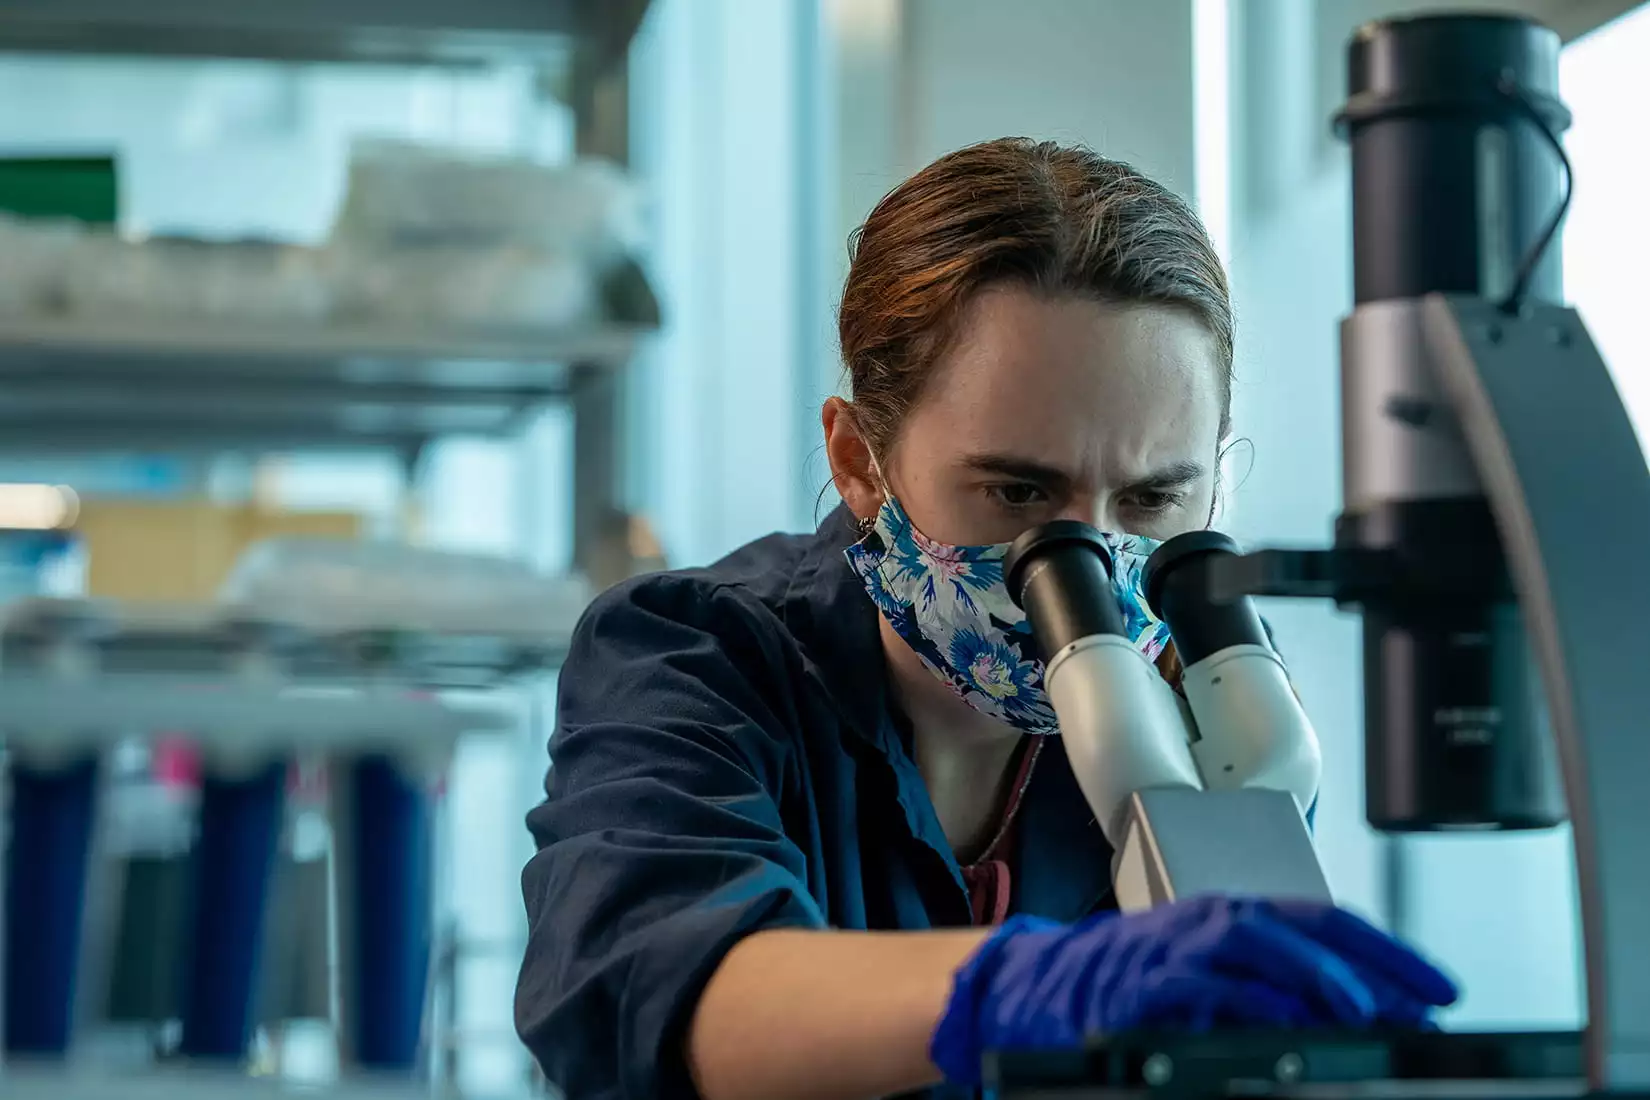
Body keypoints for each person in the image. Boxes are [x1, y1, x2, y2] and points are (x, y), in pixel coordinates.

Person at [515, 138, 1456, 1100]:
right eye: (1019, 492)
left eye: (1150, 501)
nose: (1097, 568)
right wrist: (1027, 984)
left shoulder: (1210, 696)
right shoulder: (692, 655)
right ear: (858, 461)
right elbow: (660, 992)